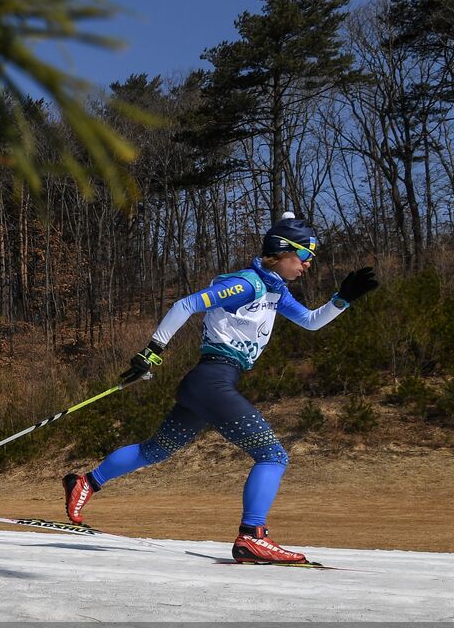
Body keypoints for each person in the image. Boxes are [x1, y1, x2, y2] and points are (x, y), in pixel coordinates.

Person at [61, 213, 379, 564]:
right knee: (273, 456)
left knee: (155, 451)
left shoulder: (275, 291)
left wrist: (343, 298)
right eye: (304, 256)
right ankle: (253, 536)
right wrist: (151, 351)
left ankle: (86, 483)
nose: (307, 265)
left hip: (206, 384)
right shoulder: (247, 284)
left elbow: (310, 322)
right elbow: (186, 304)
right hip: (213, 381)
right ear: (284, 251)